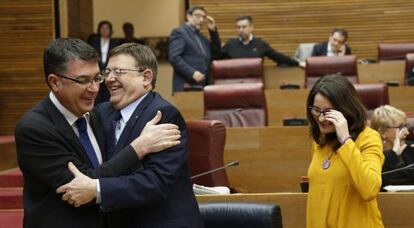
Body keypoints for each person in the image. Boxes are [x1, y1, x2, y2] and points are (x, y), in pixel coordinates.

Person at [15, 38, 180, 228]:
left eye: (96, 78)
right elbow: (83, 185)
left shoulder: (95, 115)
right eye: (83, 81)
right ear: (55, 82)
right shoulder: (34, 128)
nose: (95, 89)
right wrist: (138, 148)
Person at [57, 43, 204, 227]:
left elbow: (155, 181)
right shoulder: (101, 113)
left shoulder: (163, 115)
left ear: (146, 77)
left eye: (118, 71)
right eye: (107, 72)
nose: (110, 79)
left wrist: (97, 189)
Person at [306, 74, 384, 227]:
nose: (321, 118)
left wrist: (346, 141)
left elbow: (369, 189)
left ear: (346, 110)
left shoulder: (368, 138)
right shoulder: (320, 141)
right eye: (316, 110)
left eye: (328, 112)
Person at [211, 15, 299, 66]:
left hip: (255, 84)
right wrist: (213, 32)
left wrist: (297, 63)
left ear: (251, 28)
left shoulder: (260, 43)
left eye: (244, 27)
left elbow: (277, 56)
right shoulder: (231, 44)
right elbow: (216, 56)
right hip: (234, 83)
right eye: (238, 27)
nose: (241, 30)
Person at [168, 5, 219, 92]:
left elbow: (216, 53)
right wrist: (192, 73)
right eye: (198, 16)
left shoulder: (202, 37)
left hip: (203, 85)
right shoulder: (179, 32)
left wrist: (213, 31)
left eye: (203, 17)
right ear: (189, 16)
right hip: (186, 84)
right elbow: (174, 57)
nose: (202, 20)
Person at [370, 105, 414, 186]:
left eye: (406, 126)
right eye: (401, 127)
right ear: (383, 132)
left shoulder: (410, 150)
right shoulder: (372, 155)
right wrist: (394, 153)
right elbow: (378, 181)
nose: (407, 132)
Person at [88, 20, 120, 104]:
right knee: (97, 91)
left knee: (108, 91)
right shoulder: (94, 41)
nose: (105, 30)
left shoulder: (115, 42)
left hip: (109, 71)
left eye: (107, 28)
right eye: (103, 28)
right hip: (97, 70)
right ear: (99, 30)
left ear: (110, 30)